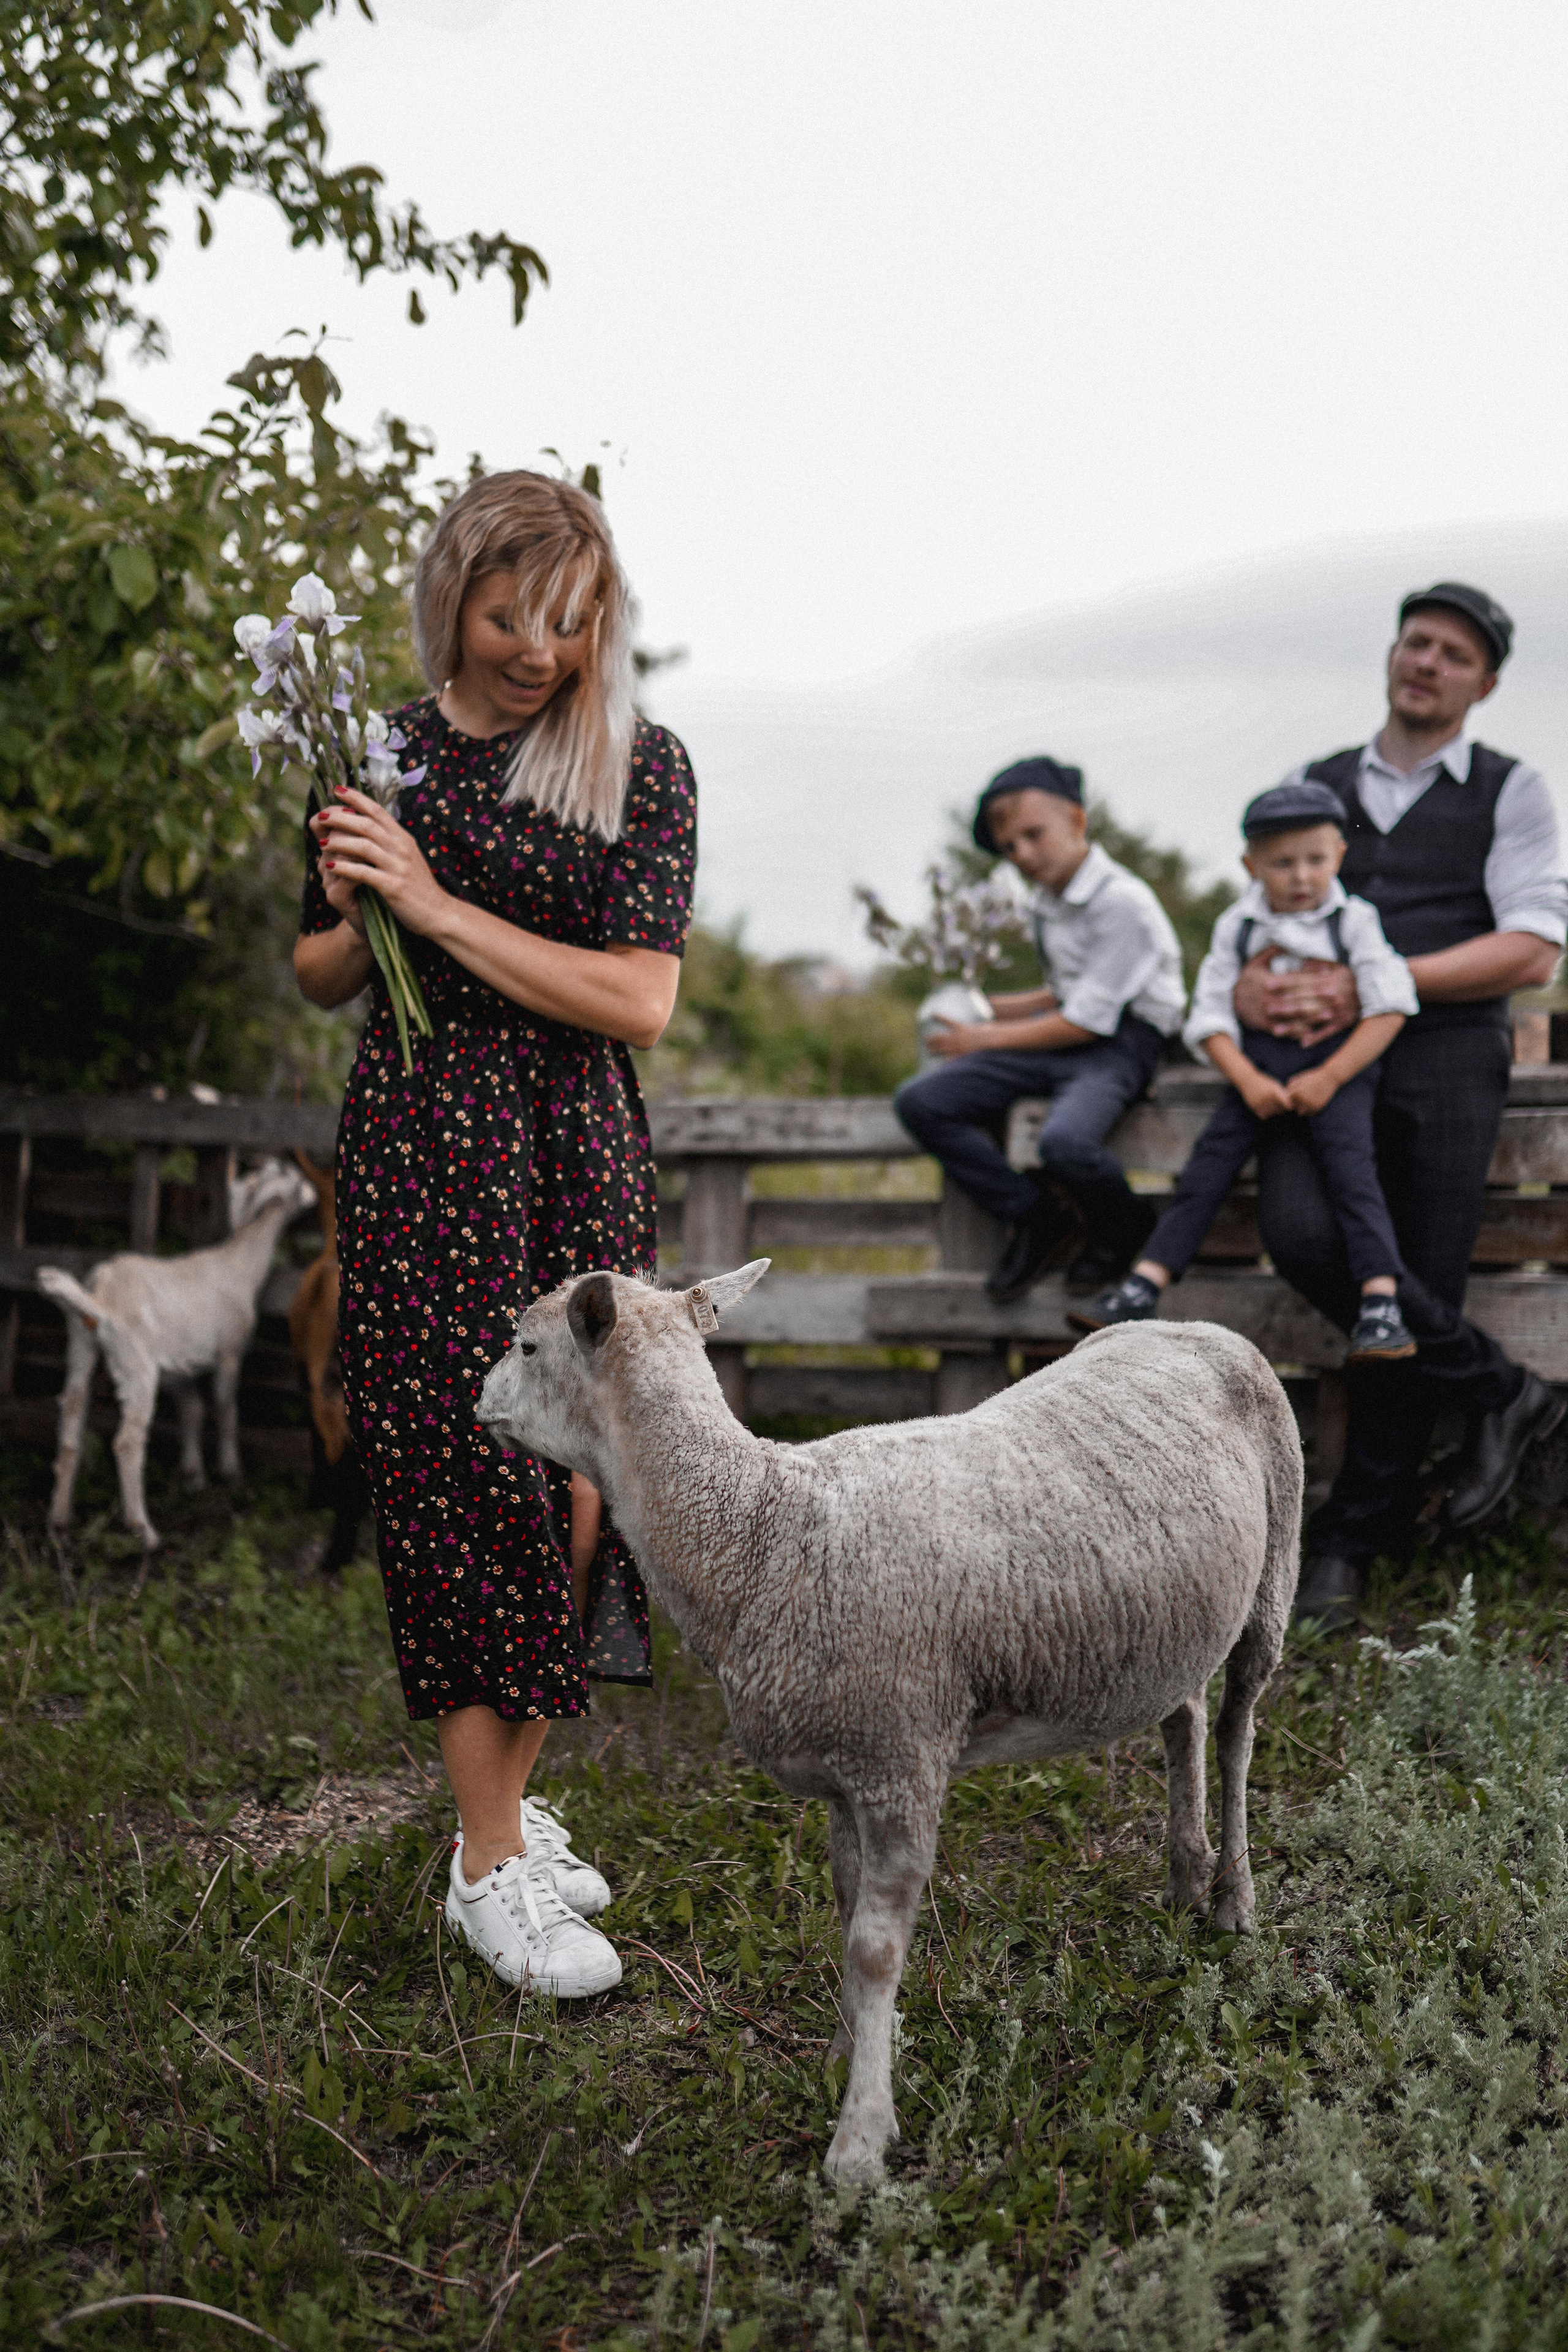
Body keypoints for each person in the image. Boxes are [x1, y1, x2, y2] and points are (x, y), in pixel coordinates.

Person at [295, 471, 696, 1993]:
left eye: (574, 621)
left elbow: (637, 998)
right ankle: (485, 1865)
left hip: (570, 1146)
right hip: (418, 1150)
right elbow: (321, 968)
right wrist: (357, 908)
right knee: (471, 1480)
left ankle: (505, 1814)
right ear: (451, 599)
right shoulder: (379, 751)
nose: (541, 648)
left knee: (583, 1482)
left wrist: (437, 903)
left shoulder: (637, 764)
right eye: (509, 615)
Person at [1229, 582, 1566, 1625]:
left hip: (1450, 1056)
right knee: (1299, 1232)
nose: (1427, 661)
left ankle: (1349, 1542)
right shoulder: (1312, 783)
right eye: (1416, 641)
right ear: (1393, 654)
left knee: (1408, 1281)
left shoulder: (1510, 792)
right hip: (1317, 1061)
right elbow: (1251, 927)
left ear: (1485, 683)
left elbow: (1533, 946)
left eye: (1453, 655)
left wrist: (1384, 978)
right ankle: (1502, 1389)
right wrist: (1248, 985)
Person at [1071, 780, 1419, 1360]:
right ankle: (1143, 1285)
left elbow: (1391, 1006)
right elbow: (1207, 1014)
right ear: (1251, 865)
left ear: (1339, 855)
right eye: (1283, 864)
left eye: (1316, 860)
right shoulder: (1238, 927)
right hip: (1254, 1071)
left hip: (1336, 1070)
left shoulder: (1354, 922)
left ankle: (1381, 1305)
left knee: (1353, 1176)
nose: (1302, 877)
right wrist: (1248, 1080)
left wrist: (1330, 1077)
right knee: (1205, 1173)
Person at [894, 756, 1186, 1302]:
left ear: (1077, 821)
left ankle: (1125, 1228)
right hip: (1069, 1036)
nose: (1023, 855)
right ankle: (1038, 1218)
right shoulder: (1050, 901)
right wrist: (994, 1008)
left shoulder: (1123, 904)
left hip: (1124, 1044)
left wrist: (979, 1038)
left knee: (1065, 1142)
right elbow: (1072, 988)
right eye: (1010, 848)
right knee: (924, 1101)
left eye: (1034, 835)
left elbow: (1089, 1017)